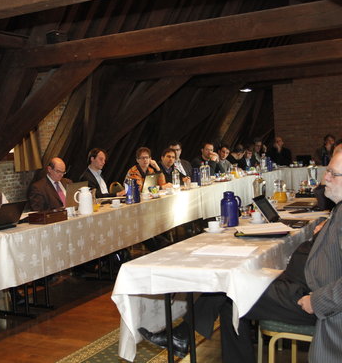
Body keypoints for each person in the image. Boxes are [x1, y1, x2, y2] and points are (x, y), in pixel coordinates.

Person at [139, 151, 342, 362]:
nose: (324, 177)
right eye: (327, 171)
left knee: (231, 292)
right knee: (234, 289)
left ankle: (183, 335)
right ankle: (183, 336)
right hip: (297, 281)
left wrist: (317, 302)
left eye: (332, 174)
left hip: (309, 295)